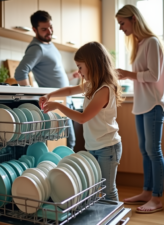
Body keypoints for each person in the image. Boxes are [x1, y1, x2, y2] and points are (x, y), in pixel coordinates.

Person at [39, 42, 124, 201]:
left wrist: (58, 105)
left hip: (108, 147)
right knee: (94, 188)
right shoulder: (92, 85)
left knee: (108, 191)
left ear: (92, 64)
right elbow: (70, 90)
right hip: (94, 146)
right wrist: (50, 95)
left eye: (80, 67)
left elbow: (83, 117)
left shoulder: (104, 89)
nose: (78, 71)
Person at [115, 4, 164, 213]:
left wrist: (128, 74)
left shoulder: (152, 42)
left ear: (133, 19)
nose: (121, 28)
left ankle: (157, 198)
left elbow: (153, 75)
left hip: (154, 104)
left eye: (122, 23)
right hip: (142, 105)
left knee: (153, 151)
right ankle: (147, 192)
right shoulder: (140, 44)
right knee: (145, 151)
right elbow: (142, 76)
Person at [14, 10, 77, 150]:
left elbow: (54, 76)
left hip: (65, 100)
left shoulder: (49, 44)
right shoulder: (37, 48)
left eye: (50, 27)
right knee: (66, 143)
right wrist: (30, 97)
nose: (49, 31)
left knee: (68, 142)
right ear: (34, 29)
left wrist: (72, 76)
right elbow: (20, 72)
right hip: (56, 103)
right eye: (44, 29)